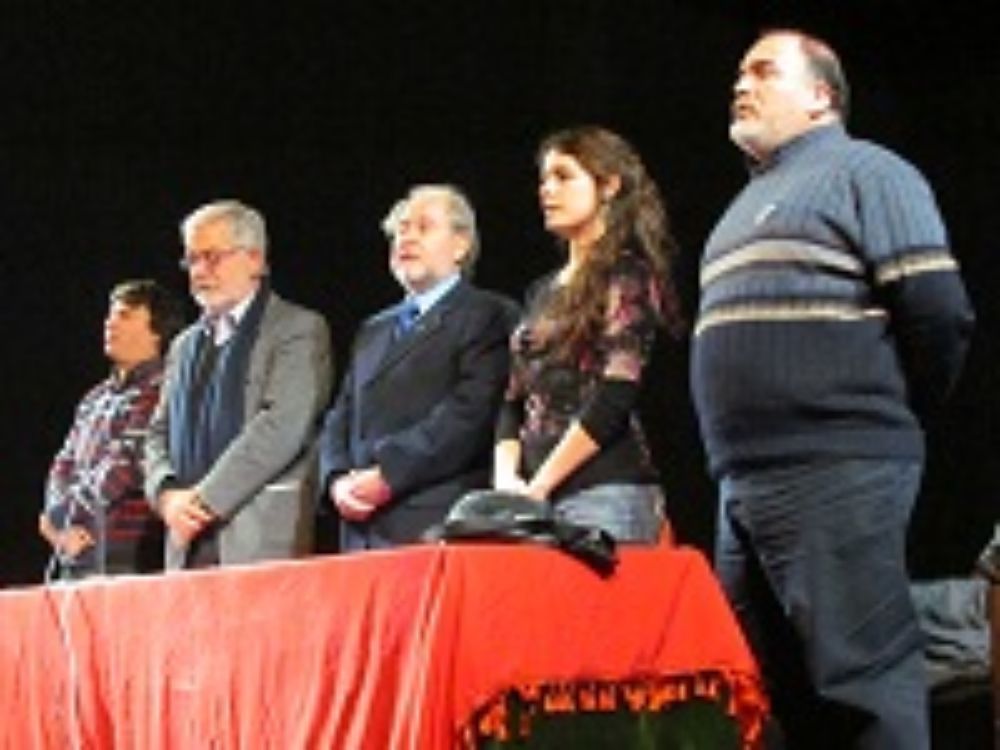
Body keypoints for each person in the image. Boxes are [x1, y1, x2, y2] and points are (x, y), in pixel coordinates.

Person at [691, 29, 975, 749]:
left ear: (821, 96)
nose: (740, 85)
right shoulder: (739, 208)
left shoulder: (868, 172)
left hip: (836, 466)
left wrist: (878, 417)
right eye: (737, 73)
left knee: (864, 685)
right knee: (772, 693)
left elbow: (939, 312)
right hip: (743, 486)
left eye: (762, 71)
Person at [493, 126, 683, 544]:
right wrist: (507, 481)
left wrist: (540, 485)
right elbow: (512, 402)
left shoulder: (627, 275)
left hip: (605, 493)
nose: (547, 190)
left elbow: (615, 394)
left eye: (563, 176)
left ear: (609, 185)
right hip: (534, 497)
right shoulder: (541, 290)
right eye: (544, 179)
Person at [318, 184, 516, 551]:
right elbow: (341, 414)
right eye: (401, 229)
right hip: (361, 526)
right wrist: (336, 479)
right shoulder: (372, 329)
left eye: (423, 227)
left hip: (432, 519)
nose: (406, 238)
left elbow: (469, 414)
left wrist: (389, 473)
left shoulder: (487, 314)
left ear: (461, 245)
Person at [144, 200, 333, 570]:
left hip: (259, 537)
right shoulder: (184, 346)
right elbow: (157, 432)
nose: (199, 271)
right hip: (185, 542)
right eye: (192, 259)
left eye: (212, 257)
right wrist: (166, 495)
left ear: (255, 260)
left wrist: (202, 502)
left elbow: (281, 427)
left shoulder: (298, 329)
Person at [39, 279, 186, 579]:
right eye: (109, 315)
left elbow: (125, 466)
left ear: (156, 331)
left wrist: (66, 514)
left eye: (125, 315)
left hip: (129, 553)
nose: (110, 323)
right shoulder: (94, 398)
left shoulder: (163, 390)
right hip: (76, 551)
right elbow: (63, 464)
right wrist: (59, 520)